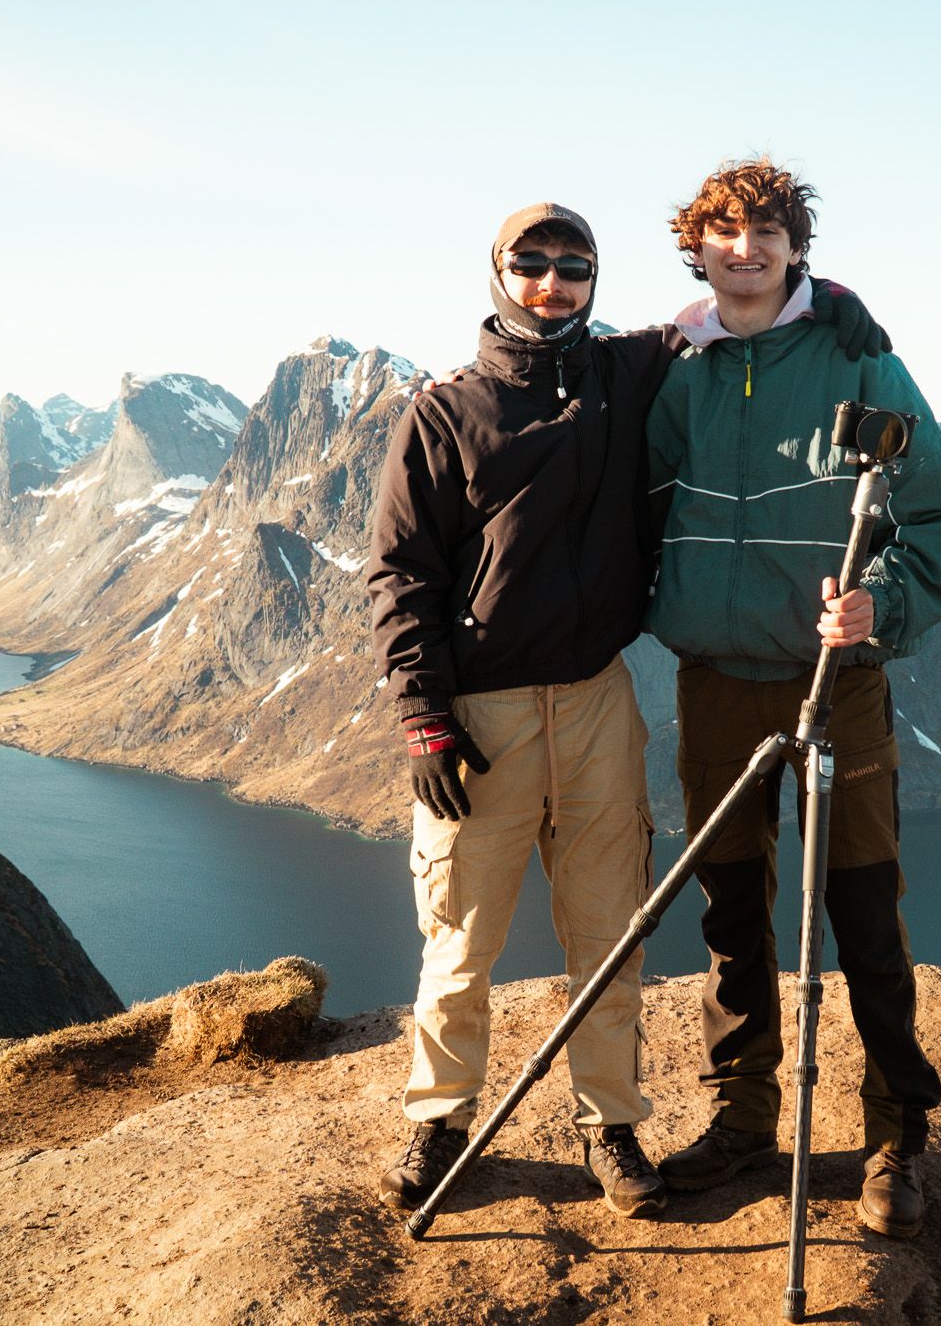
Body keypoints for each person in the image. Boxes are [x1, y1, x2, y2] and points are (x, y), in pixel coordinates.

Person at [365, 202, 887, 1220]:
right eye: (531, 265)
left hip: (597, 703)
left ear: (592, 282)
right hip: (481, 716)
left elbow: (735, 305)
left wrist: (827, 300)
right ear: (499, 273)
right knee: (460, 936)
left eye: (572, 267)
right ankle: (438, 1121)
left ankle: (612, 1127)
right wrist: (423, 716)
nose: (551, 284)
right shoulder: (444, 411)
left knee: (610, 930)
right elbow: (398, 576)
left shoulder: (621, 373)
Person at [643, 159, 941, 1239]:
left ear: (796, 249)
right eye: (721, 233)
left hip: (838, 684)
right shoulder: (674, 370)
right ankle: (742, 1119)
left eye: (764, 233)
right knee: (732, 919)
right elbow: (629, 506)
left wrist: (877, 605)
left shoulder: (857, 360)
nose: (743, 250)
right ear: (694, 247)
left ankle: (893, 1140)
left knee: (861, 915)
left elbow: (939, 518)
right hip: (714, 680)